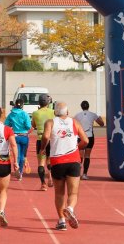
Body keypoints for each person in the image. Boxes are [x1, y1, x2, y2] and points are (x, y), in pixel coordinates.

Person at [39, 102, 89, 231]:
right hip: (73, 160)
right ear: (67, 112)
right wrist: (76, 148)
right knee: (73, 192)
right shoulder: (74, 122)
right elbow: (86, 141)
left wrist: (43, 148)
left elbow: (45, 136)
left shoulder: (50, 122)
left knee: (59, 193)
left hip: (57, 161)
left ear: (55, 112)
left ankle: (61, 221)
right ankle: (70, 208)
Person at [73, 100, 105, 180]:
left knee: (80, 156)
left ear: (81, 107)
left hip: (80, 136)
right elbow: (102, 124)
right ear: (88, 106)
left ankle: (77, 174)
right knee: (87, 155)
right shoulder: (93, 114)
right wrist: (100, 118)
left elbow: (73, 125)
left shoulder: (77, 115)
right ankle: (84, 174)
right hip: (89, 136)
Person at [5, 98, 32, 180]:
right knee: (22, 155)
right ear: (22, 105)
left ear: (15, 104)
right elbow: (28, 126)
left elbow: (6, 125)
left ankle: (18, 171)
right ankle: (20, 171)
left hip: (15, 136)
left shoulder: (11, 114)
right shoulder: (25, 114)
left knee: (17, 155)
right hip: (24, 136)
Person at [32, 94, 55, 190]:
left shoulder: (35, 113)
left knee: (41, 162)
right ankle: (50, 177)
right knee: (50, 160)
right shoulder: (53, 112)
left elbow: (33, 125)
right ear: (48, 102)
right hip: (51, 139)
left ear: (39, 103)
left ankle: (43, 184)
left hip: (41, 138)